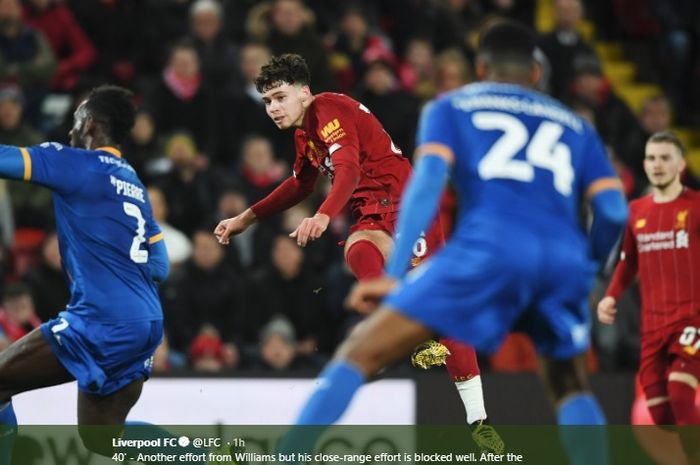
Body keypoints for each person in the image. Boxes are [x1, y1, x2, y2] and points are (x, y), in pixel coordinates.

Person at [282, 21, 628, 465]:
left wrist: (394, 274)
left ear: (481, 67)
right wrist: (590, 266)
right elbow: (615, 211)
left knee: (360, 351)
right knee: (569, 384)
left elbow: (425, 186)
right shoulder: (577, 127)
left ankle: (289, 453)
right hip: (560, 259)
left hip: (489, 247)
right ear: (536, 74)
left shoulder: (452, 107)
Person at [214, 53, 501, 450]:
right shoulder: (304, 135)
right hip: (370, 211)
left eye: (280, 97)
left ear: (304, 93)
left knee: (441, 306)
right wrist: (246, 218)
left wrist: (322, 214)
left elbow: (346, 169)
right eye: (267, 102)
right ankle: (407, 327)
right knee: (357, 249)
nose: (274, 108)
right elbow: (299, 184)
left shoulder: (329, 110)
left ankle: (479, 422)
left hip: (405, 205)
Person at [0, 85, 204, 464]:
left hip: (102, 321)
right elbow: (158, 266)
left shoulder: (73, 163)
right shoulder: (134, 185)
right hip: (146, 322)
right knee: (104, 439)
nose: (69, 132)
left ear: (91, 124)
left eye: (75, 121)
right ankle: (208, 457)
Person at [598, 130, 700, 463]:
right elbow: (626, 262)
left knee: (680, 396)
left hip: (690, 324)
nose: (657, 165)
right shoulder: (636, 215)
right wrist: (612, 295)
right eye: (652, 158)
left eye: (665, 158)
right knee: (655, 412)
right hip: (656, 331)